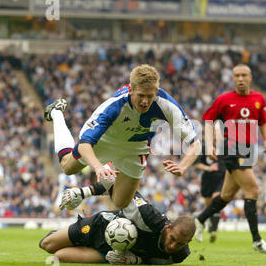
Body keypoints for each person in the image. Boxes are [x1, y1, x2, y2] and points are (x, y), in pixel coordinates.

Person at [44, 64, 201, 211]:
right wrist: (98, 167)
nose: (145, 101)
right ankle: (56, 113)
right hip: (106, 141)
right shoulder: (114, 106)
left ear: (156, 91)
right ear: (131, 90)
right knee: (67, 167)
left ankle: (83, 192)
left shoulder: (166, 104)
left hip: (136, 148)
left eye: (150, 96)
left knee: (120, 202)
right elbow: (85, 144)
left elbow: (196, 143)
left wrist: (183, 166)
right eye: (141, 95)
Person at [193, 64, 266, 253]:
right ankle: (257, 241)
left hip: (248, 149)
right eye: (237, 75)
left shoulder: (258, 99)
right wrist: (211, 144)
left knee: (227, 195)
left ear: (250, 77)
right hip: (231, 147)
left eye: (244, 75)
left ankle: (200, 220)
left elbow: (263, 121)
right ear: (233, 78)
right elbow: (208, 120)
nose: (240, 79)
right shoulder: (224, 100)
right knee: (252, 189)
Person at [39, 191, 196, 265]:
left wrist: (136, 260)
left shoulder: (179, 253)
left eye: (180, 244)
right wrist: (83, 192)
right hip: (99, 226)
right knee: (47, 245)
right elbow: (115, 183)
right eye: (173, 239)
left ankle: (77, 243)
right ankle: (68, 232)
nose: (172, 246)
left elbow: (162, 261)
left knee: (58, 257)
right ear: (168, 228)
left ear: (188, 242)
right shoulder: (148, 216)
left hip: (107, 252)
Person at [193, 142, 226, 242]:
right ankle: (206, 223)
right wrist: (208, 168)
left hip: (222, 179)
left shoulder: (225, 145)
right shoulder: (203, 147)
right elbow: (196, 164)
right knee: (209, 206)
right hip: (208, 179)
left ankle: (213, 230)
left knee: (217, 199)